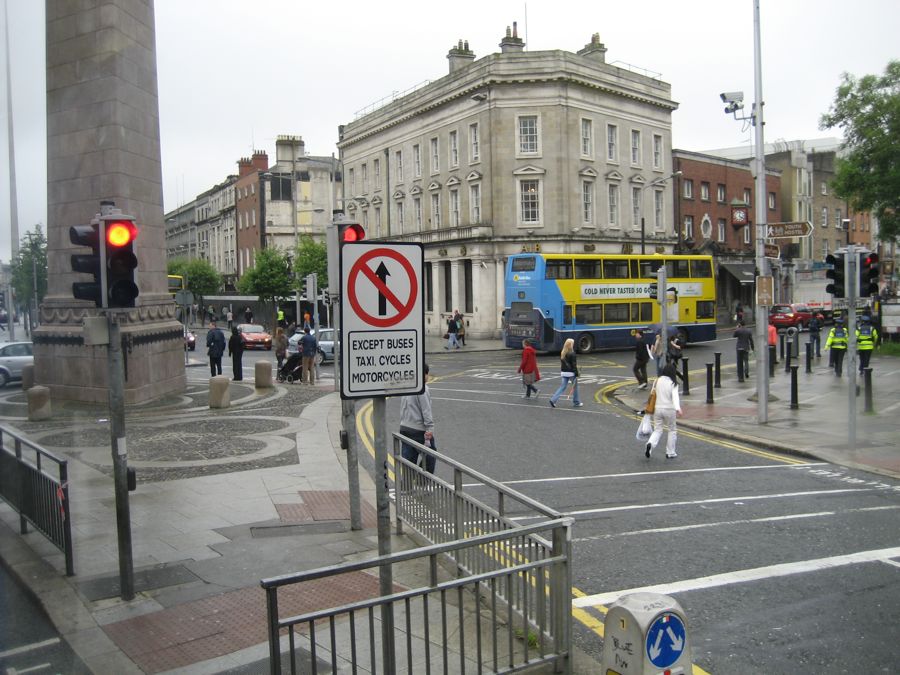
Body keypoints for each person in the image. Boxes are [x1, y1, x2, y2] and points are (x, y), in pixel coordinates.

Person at [399, 363, 436, 473]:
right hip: (418, 430)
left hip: (404, 428)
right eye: (427, 374)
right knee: (431, 455)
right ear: (423, 374)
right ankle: (422, 482)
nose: (428, 377)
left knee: (408, 461)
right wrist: (430, 429)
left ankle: (407, 487)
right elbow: (426, 410)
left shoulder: (408, 386)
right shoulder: (422, 388)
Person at [645, 363, 683, 460]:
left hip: (657, 409)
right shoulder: (673, 383)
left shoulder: (657, 381)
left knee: (658, 429)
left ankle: (650, 444)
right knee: (672, 430)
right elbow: (675, 397)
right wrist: (678, 408)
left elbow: (652, 394)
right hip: (669, 409)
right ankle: (670, 452)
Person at [549, 338, 582, 408]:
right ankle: (576, 402)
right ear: (570, 345)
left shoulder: (563, 352)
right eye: (572, 343)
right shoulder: (572, 353)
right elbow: (574, 365)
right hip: (571, 373)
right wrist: (576, 373)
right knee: (575, 387)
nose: (573, 344)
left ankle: (553, 400)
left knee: (562, 387)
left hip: (564, 372)